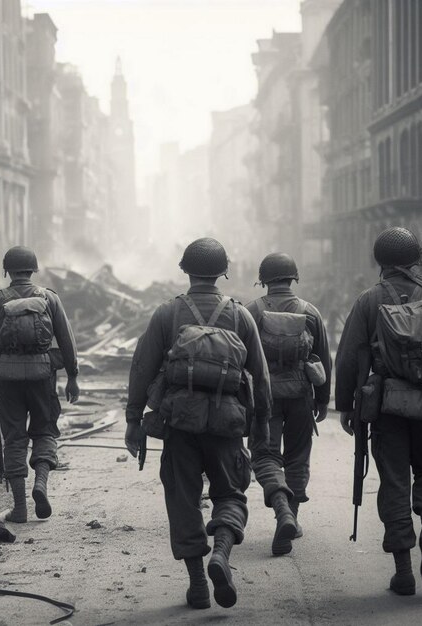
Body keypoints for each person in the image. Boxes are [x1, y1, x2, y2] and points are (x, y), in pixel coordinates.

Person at [125, 237, 272, 610]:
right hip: (227, 425)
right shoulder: (241, 316)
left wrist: (133, 420)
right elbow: (260, 375)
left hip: (180, 425)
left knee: (183, 499)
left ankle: (197, 584)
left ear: (186, 271)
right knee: (231, 495)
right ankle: (220, 553)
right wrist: (262, 425)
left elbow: (141, 369)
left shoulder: (167, 314)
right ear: (223, 272)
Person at [336, 227, 422, 596]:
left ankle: (403, 571)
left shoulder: (368, 300)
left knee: (393, 481)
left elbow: (346, 359)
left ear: (379, 261)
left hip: (386, 406)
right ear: (416, 258)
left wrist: (345, 407)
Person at [0, 246, 80, 523]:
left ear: (7, 270)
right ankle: (41, 483)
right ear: (33, 269)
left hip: (7, 380)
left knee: (14, 440)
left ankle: (20, 509)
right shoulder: (49, 298)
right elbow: (67, 341)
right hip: (42, 377)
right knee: (44, 431)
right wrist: (73, 376)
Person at [245, 253, 331, 556]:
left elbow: (239, 357)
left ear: (264, 280)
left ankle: (282, 509)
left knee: (265, 455)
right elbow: (324, 359)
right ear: (293, 278)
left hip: (263, 398)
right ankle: (290, 517)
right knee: (297, 457)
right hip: (300, 396)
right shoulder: (310, 312)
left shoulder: (251, 311)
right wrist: (322, 399)